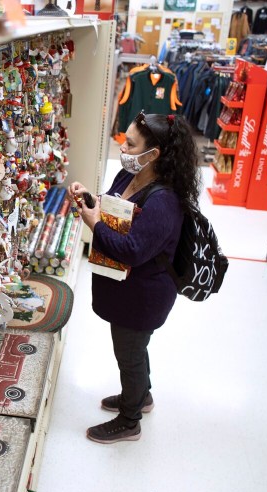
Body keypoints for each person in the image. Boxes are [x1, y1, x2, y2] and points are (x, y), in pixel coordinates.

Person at [67, 111, 201, 444]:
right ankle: (142, 396)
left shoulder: (164, 202)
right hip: (127, 289)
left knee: (129, 352)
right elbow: (114, 208)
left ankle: (130, 420)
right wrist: (91, 202)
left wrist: (93, 223)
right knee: (135, 350)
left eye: (130, 143)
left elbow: (131, 250)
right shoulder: (130, 176)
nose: (123, 148)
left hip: (143, 297)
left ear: (153, 154)